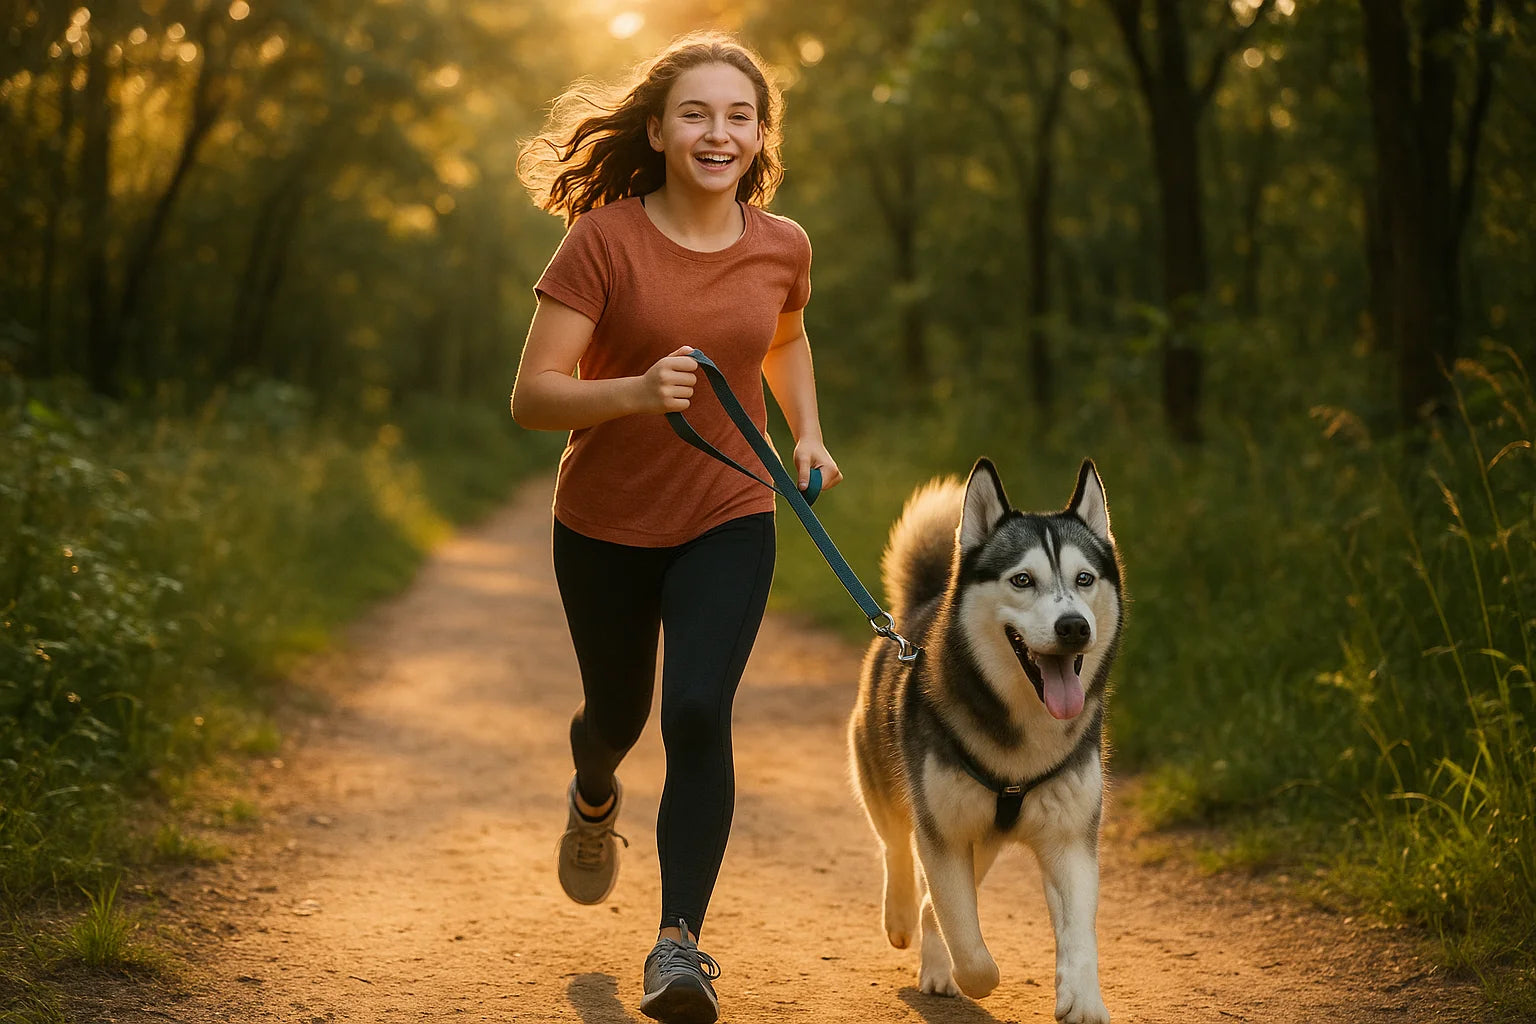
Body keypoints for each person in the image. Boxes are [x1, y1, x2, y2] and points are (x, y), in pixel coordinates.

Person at [511, 31, 841, 1024]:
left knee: (698, 710)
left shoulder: (781, 243)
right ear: (656, 130)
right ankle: (594, 784)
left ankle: (680, 946)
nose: (719, 132)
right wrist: (636, 392)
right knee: (619, 712)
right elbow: (533, 397)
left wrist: (810, 433)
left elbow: (784, 332)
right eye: (697, 112)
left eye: (740, 115)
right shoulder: (603, 241)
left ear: (758, 136)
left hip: (729, 512)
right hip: (605, 522)